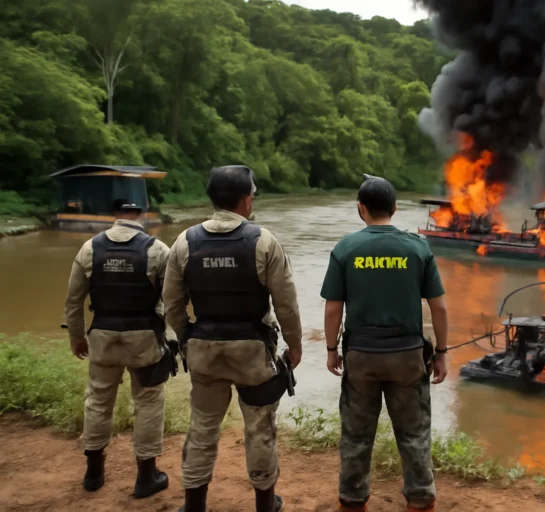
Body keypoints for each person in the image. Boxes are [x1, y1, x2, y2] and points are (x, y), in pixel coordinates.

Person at [163, 165, 303, 512]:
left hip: (204, 351)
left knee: (202, 427)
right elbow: (286, 303)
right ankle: (265, 504)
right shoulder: (264, 241)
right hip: (253, 353)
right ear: (245, 199)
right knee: (260, 428)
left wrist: (186, 338)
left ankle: (194, 505)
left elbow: (172, 302)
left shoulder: (184, 241)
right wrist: (295, 345)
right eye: (252, 194)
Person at [321, 176, 449, 512]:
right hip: (407, 357)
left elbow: (333, 308)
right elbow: (439, 307)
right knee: (414, 435)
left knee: (356, 436)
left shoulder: (346, 248)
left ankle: (352, 500)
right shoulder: (418, 248)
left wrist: (332, 350)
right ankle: (420, 499)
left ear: (360, 208)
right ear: (394, 207)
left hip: (361, 357)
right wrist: (441, 353)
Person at [64, 199, 175, 499]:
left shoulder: (89, 248)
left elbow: (73, 301)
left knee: (98, 401)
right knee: (148, 402)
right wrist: (172, 336)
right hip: (144, 338)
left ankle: (93, 474)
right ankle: (146, 477)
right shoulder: (157, 249)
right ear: (142, 214)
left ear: (114, 215)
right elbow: (173, 299)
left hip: (103, 336)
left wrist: (77, 337)